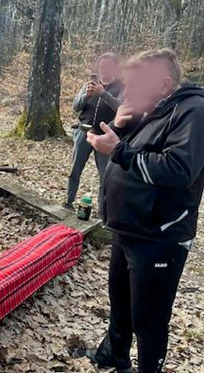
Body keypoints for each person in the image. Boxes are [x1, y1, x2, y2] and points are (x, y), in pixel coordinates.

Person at [78, 49, 204, 373]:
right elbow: (119, 146)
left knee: (148, 319)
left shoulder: (194, 111)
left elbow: (179, 170)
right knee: (120, 303)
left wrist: (119, 149)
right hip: (128, 226)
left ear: (163, 84)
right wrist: (120, 127)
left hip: (160, 235)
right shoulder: (152, 109)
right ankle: (114, 355)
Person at [65, 52, 123, 209]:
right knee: (75, 169)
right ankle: (68, 202)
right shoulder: (90, 84)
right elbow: (76, 106)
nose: (103, 70)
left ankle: (102, 211)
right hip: (83, 131)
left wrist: (103, 93)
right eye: (101, 67)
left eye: (107, 67)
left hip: (104, 136)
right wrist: (87, 95)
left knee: (105, 174)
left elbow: (120, 107)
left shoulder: (120, 87)